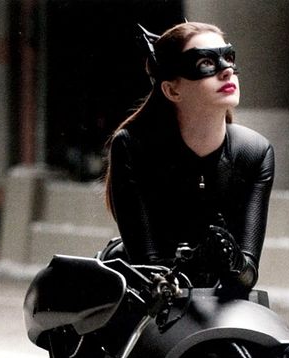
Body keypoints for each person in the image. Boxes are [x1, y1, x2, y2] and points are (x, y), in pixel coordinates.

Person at [103, 21, 274, 293]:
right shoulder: (133, 146)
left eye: (229, 57)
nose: (227, 70)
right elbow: (148, 270)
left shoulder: (255, 153)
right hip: (140, 294)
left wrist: (234, 260)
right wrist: (195, 262)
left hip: (216, 303)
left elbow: (247, 277)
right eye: (206, 63)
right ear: (172, 90)